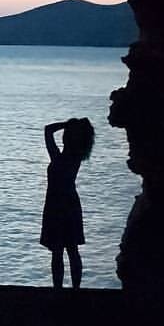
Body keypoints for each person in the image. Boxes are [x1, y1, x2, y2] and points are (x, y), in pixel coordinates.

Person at [40, 118, 95, 289]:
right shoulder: (73, 156)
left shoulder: (61, 157)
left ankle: (60, 289)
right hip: (68, 204)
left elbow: (48, 130)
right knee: (71, 249)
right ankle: (74, 289)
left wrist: (66, 124)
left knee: (60, 251)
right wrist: (71, 125)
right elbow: (48, 130)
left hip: (57, 205)